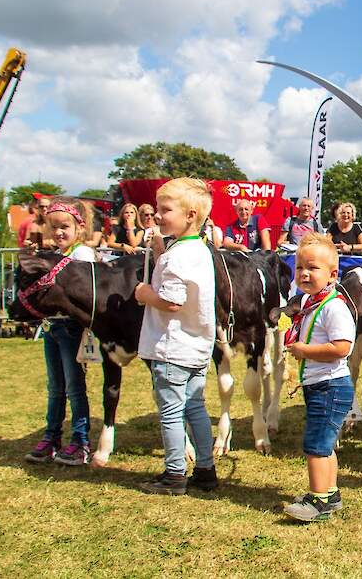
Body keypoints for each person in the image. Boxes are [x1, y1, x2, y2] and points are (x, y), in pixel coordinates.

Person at [135, 178, 218, 495]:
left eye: (165, 210)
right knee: (195, 407)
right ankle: (205, 469)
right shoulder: (198, 250)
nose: (157, 215)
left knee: (170, 412)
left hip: (172, 349)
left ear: (191, 215)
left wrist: (145, 294)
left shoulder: (176, 256)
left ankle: (174, 474)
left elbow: (171, 301)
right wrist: (159, 250)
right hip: (197, 348)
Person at [283, 232, 356, 521]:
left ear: (332, 274)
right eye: (300, 267)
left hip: (330, 386)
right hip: (318, 384)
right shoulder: (309, 304)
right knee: (325, 443)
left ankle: (318, 501)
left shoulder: (334, 307)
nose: (304, 274)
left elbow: (342, 348)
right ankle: (330, 492)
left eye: (313, 268)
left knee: (315, 445)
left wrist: (304, 350)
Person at [23, 198, 97, 466]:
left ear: (79, 227)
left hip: (71, 328)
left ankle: (80, 441)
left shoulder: (82, 256)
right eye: (53, 228)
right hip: (51, 326)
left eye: (64, 227)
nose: (59, 233)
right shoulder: (52, 256)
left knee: (75, 387)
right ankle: (52, 436)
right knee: (55, 387)